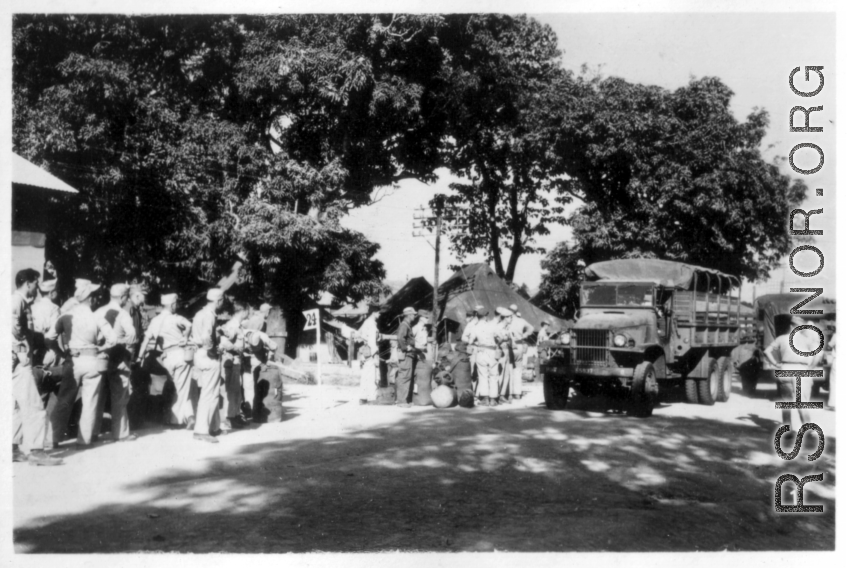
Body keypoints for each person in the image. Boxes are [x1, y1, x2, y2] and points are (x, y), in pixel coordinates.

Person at [47, 279, 117, 447]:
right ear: (90, 298)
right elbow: (113, 340)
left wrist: (60, 352)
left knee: (64, 400)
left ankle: (53, 438)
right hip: (92, 360)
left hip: (73, 361)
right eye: (94, 296)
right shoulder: (97, 317)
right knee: (90, 401)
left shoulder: (65, 316)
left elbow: (49, 337)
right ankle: (83, 439)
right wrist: (100, 349)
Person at [13, 269, 62, 465]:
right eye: (35, 283)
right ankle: (36, 451)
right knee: (35, 406)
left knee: (16, 405)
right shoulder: (17, 301)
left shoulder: (22, 302)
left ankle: (12, 448)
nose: (36, 287)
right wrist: (20, 351)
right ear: (27, 283)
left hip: (15, 360)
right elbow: (13, 328)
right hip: (19, 361)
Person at [137, 292, 194, 429]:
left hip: (167, 357)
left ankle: (175, 419)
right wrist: (185, 337)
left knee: (176, 386)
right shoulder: (176, 318)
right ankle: (189, 417)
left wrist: (139, 357)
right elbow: (189, 325)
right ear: (173, 305)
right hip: (180, 354)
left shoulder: (155, 321)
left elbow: (146, 340)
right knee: (183, 389)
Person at [763, 314, 825, 431]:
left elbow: (767, 351)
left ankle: (787, 429)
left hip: (785, 369)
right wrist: (811, 367)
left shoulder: (781, 338)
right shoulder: (807, 339)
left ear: (790, 325)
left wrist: (776, 364)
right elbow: (818, 355)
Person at [93, 284, 138, 442]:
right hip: (118, 358)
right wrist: (124, 343)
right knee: (119, 396)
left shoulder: (98, 311)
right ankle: (120, 433)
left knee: (97, 397)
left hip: (100, 359)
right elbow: (132, 336)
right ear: (123, 297)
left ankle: (92, 431)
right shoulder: (123, 314)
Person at [191, 288, 225, 443]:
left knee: (211, 392)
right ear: (219, 300)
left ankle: (213, 426)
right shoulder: (209, 315)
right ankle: (201, 430)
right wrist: (212, 349)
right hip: (208, 356)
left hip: (199, 354)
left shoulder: (199, 313)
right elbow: (206, 337)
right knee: (209, 393)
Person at [218, 300, 249, 430]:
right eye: (247, 311)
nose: (248, 313)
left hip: (237, 361)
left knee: (236, 390)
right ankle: (229, 418)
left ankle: (235, 415)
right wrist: (237, 349)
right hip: (231, 360)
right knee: (231, 391)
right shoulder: (232, 325)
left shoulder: (238, 325)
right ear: (242, 311)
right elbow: (225, 343)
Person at [467, 309, 508, 406]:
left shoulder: (475, 327)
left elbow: (470, 341)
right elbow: (501, 337)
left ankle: (485, 399)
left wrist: (478, 343)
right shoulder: (492, 325)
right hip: (492, 352)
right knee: (494, 375)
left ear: (477, 316)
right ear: (486, 315)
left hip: (481, 352)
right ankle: (493, 399)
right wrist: (497, 342)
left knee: (482, 375)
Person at [31, 278, 62, 367]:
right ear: (51, 293)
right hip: (50, 350)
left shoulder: (33, 307)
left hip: (35, 350)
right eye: (56, 291)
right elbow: (54, 332)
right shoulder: (54, 308)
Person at [507, 303, 535, 401]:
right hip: (519, 345)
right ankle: (517, 393)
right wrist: (524, 335)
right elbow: (531, 328)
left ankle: (509, 393)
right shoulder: (521, 320)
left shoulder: (508, 321)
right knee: (518, 370)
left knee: (509, 369)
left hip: (510, 346)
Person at [354, 304, 380, 404]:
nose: (379, 314)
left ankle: (363, 397)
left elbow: (359, 334)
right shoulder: (372, 323)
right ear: (374, 312)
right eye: (378, 312)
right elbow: (372, 340)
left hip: (364, 350)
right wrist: (374, 353)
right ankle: (371, 398)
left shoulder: (366, 322)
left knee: (365, 375)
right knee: (371, 375)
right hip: (371, 351)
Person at [395, 307, 417, 407]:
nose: (414, 316)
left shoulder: (407, 325)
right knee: (404, 377)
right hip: (406, 355)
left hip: (408, 355)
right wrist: (405, 348)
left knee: (406, 376)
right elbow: (400, 337)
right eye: (413, 314)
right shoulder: (404, 325)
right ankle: (401, 401)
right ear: (409, 315)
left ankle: (403, 400)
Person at [494, 307, 516, 403]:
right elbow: (497, 340)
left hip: (508, 351)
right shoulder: (498, 327)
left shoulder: (508, 327)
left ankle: (502, 395)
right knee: (500, 373)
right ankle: (497, 394)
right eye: (510, 317)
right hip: (501, 351)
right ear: (505, 318)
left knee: (507, 373)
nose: (511, 319)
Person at [461, 305, 485, 383]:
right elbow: (463, 337)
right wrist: (472, 341)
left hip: (484, 349)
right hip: (474, 349)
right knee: (473, 370)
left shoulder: (485, 323)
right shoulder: (471, 324)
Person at [826, 331, 836, 411]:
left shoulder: (837, 335)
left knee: (834, 382)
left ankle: (833, 404)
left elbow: (829, 346)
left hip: (838, 360)